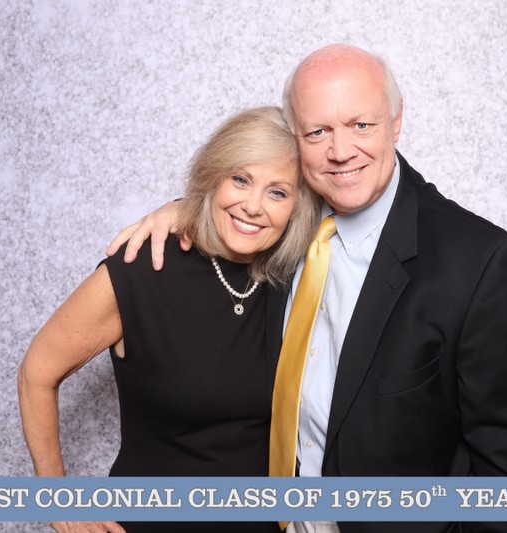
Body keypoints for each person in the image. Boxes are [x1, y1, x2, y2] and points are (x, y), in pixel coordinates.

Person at [109, 44, 507, 533]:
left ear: (396, 121)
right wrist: (186, 209)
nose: (340, 150)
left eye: (361, 125)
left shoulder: (479, 263)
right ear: (296, 138)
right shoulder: (285, 227)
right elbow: (241, 198)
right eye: (318, 131)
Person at [18, 106, 320, 533]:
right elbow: (36, 373)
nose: (253, 206)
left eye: (278, 192)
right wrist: (52, 498)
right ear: (213, 176)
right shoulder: (144, 267)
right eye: (240, 179)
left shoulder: (295, 279)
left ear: (298, 206)